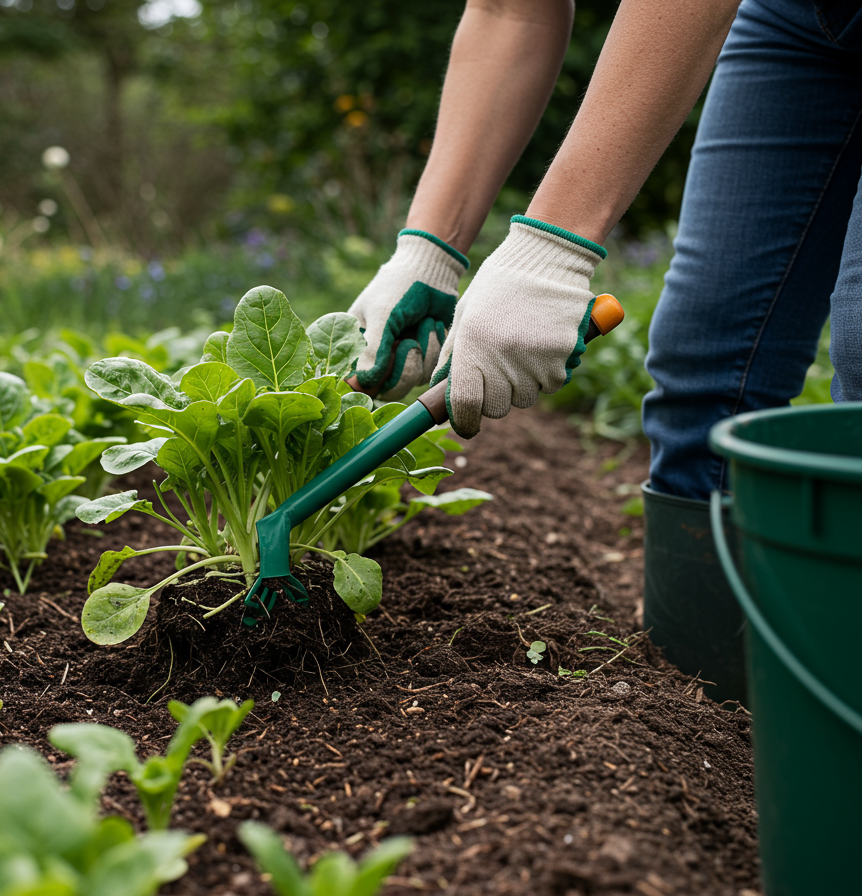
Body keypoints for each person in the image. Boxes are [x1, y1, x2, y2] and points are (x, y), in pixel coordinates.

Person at [349, 0, 862, 703]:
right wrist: (429, 250)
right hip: (798, 17)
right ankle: (709, 726)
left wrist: (550, 248)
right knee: (709, 365)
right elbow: (509, 10)